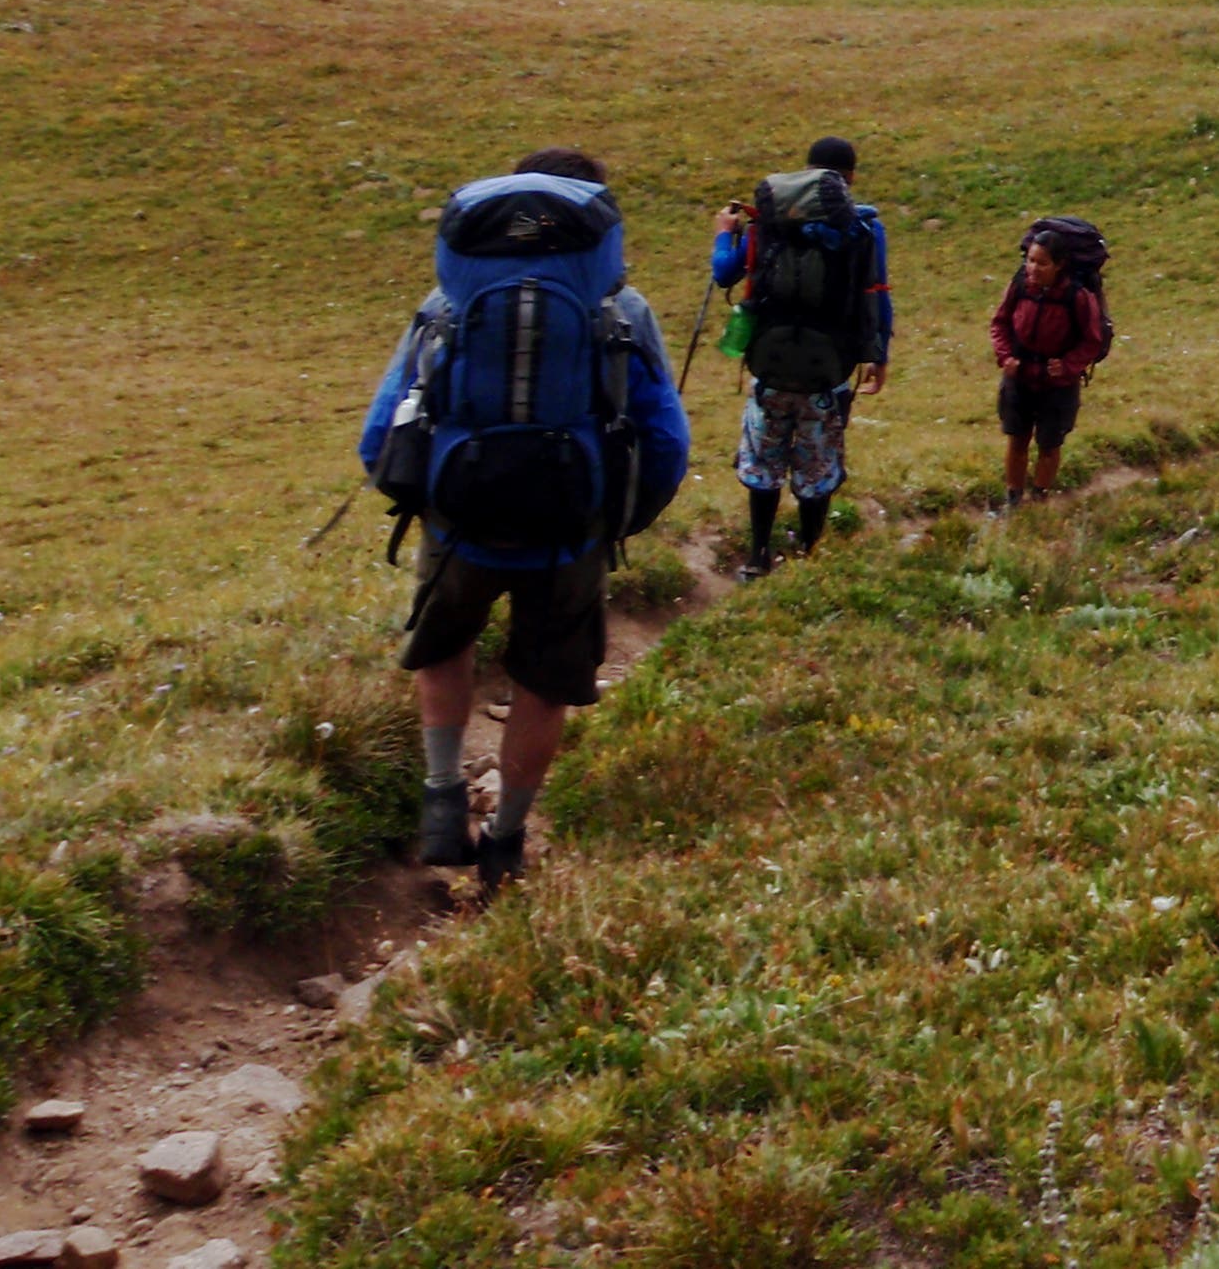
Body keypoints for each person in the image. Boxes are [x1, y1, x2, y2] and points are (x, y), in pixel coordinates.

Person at [358, 147, 689, 888]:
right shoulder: (622, 312)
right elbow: (666, 437)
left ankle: (443, 799)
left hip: (459, 523)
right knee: (543, 684)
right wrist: (621, 519)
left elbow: (381, 432)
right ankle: (505, 840)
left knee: (444, 646)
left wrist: (426, 499)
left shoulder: (446, 308)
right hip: (568, 534)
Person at [712, 135, 891, 577]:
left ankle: (757, 557)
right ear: (848, 178)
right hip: (827, 372)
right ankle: (809, 555)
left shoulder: (768, 221)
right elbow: (877, 293)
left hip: (769, 365)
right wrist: (878, 355)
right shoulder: (863, 228)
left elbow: (724, 274)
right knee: (818, 462)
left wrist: (723, 234)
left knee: (763, 460)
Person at [989, 220, 1111, 507]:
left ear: (1059, 265)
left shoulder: (1077, 297)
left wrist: (1068, 366)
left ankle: (1040, 498)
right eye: (1030, 260)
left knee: (1049, 444)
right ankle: (1014, 500)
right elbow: (1000, 323)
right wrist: (1005, 356)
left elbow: (1092, 340)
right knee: (1016, 439)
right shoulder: (1019, 285)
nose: (1033, 269)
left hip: (1058, 385)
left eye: (1041, 263)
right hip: (1019, 377)